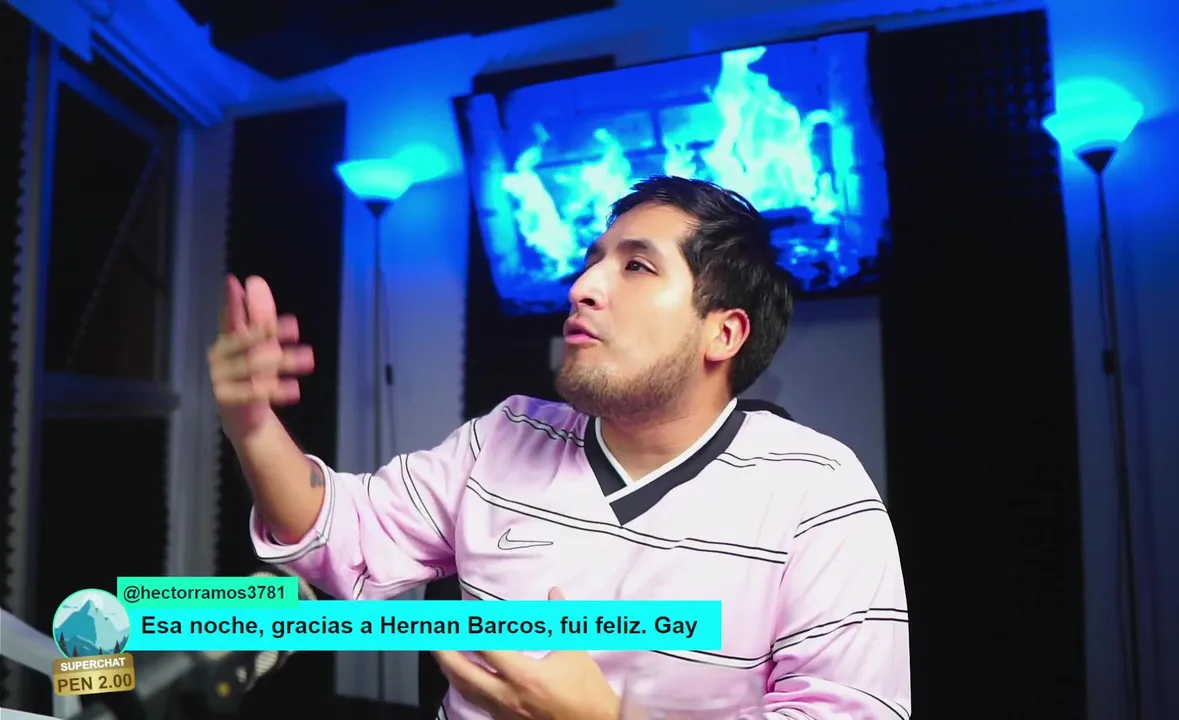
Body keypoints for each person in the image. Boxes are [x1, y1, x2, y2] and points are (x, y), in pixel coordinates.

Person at [209, 176, 910, 720]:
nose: (581, 288)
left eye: (637, 268)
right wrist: (253, 425)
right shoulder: (504, 435)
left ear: (722, 333)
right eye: (591, 262)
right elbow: (343, 538)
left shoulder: (818, 493)